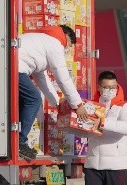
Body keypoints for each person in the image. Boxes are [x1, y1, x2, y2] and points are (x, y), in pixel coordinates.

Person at [18, 24, 88, 161]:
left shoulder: (43, 41)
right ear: (66, 36)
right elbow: (63, 78)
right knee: (34, 99)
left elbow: (41, 77)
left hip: (12, 64)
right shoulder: (55, 43)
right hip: (16, 67)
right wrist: (78, 105)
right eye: (69, 45)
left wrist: (56, 102)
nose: (66, 49)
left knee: (23, 101)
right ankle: (20, 142)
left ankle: (15, 140)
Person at [84, 71, 127, 185]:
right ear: (99, 88)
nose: (110, 90)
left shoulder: (124, 106)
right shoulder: (91, 106)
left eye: (113, 87)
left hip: (116, 167)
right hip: (93, 166)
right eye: (106, 87)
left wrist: (103, 123)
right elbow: (85, 133)